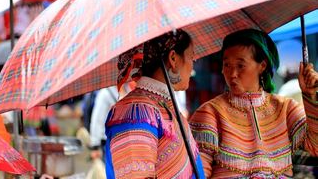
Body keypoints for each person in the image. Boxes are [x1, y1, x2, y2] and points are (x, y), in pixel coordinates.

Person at [189, 29, 318, 178]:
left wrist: (310, 96)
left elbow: (315, 147)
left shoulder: (286, 108)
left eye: (240, 65)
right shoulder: (210, 113)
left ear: (262, 65)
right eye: (227, 65)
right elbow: (199, 172)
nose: (232, 74)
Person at [104, 29, 205, 178]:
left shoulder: (164, 106)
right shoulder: (135, 113)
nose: (192, 66)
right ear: (173, 59)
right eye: (191, 57)